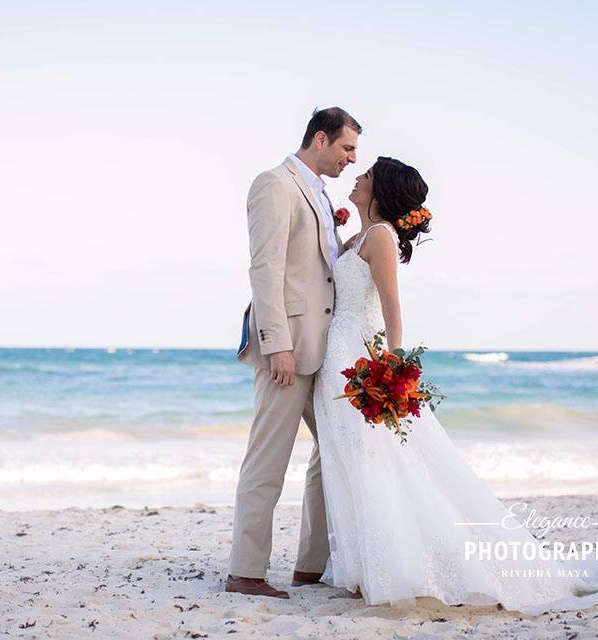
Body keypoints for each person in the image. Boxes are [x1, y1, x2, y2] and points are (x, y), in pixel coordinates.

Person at [312, 156, 598, 615]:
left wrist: (392, 365)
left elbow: (391, 308)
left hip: (362, 355)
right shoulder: (360, 235)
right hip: (339, 355)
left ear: (379, 191)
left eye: (366, 175)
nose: (357, 177)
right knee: (351, 458)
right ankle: (365, 566)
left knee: (375, 459)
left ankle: (399, 567)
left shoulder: (380, 237)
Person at [226, 107, 360, 598]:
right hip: (287, 348)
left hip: (325, 348)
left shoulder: (322, 196)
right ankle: (245, 572)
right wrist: (276, 344)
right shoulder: (274, 184)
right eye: (347, 148)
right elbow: (265, 270)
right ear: (319, 139)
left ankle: (310, 565)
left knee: (335, 450)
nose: (350, 159)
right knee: (268, 460)